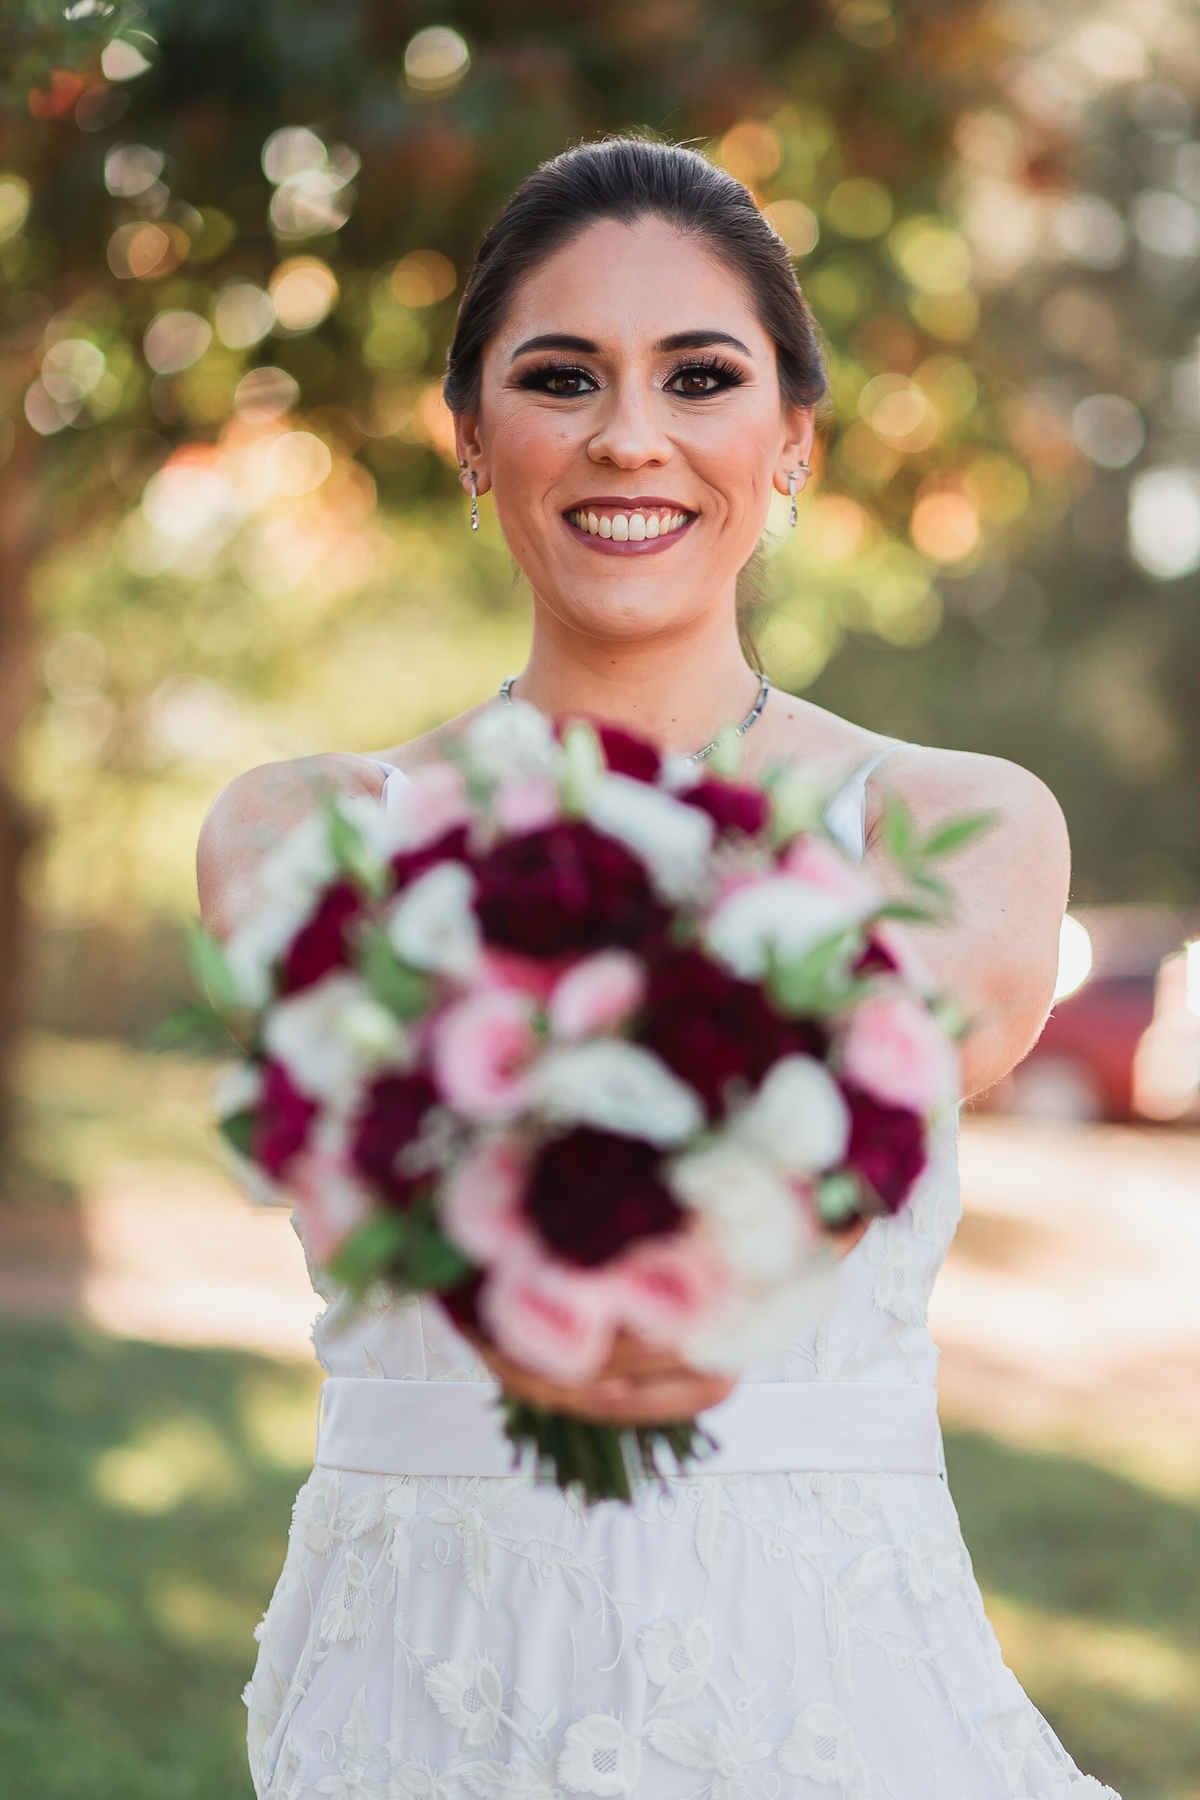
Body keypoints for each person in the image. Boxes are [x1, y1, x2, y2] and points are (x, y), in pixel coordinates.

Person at [199, 139, 1116, 1800]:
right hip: (416, 1691)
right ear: (474, 440)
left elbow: (916, 1040)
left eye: (702, 376)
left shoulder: (952, 815)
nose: (632, 434)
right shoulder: (308, 823)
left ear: (794, 443)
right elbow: (345, 1108)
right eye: (563, 378)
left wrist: (711, 1256)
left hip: (818, 1692)